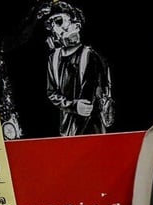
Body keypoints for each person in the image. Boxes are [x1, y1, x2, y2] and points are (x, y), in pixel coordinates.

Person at [37, 1, 114, 136]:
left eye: (59, 21)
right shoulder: (53, 58)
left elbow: (88, 102)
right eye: (51, 24)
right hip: (66, 131)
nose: (55, 28)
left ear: (76, 26)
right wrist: (72, 106)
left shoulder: (90, 56)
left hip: (90, 131)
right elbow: (51, 93)